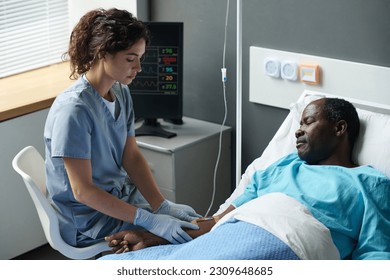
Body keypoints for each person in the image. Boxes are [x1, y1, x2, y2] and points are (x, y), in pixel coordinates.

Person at [106, 97, 390, 260]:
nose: (297, 131)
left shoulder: (368, 183)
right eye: (299, 123)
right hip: (233, 236)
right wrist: (151, 237)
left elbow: (375, 257)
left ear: (340, 128)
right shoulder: (281, 167)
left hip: (289, 243)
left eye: (308, 122)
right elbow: (218, 223)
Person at [44, 8, 201, 248]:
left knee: (192, 222)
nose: (138, 67)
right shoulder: (73, 110)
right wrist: (150, 221)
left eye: (140, 58)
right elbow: (83, 192)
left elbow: (131, 155)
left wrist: (161, 205)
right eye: (130, 59)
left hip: (119, 197)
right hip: (88, 217)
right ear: (102, 53)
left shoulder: (121, 92)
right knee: (177, 238)